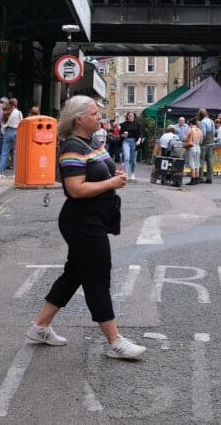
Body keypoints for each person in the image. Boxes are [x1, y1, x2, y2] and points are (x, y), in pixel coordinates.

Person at [26, 95, 146, 359]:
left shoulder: (90, 142)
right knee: (98, 279)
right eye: (94, 114)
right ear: (79, 118)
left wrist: (114, 176)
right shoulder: (72, 147)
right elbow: (76, 189)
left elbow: (97, 173)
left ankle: (40, 327)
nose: (99, 117)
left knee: (74, 274)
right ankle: (115, 342)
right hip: (82, 221)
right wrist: (111, 184)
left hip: (94, 218)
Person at [0, 97, 23, 179]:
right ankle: (15, 173)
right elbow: (21, 123)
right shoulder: (19, 113)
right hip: (16, 132)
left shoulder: (6, 112)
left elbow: (3, 124)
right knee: (16, 153)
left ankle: (1, 173)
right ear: (16, 104)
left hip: (7, 131)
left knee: (4, 153)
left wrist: (4, 133)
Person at [120, 111, 140, 181]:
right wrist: (123, 135)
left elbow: (140, 134)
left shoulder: (137, 124)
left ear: (134, 116)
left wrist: (138, 141)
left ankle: (133, 173)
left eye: (132, 115)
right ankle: (126, 174)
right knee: (126, 158)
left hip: (134, 142)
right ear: (127, 116)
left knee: (133, 160)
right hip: (126, 141)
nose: (131, 117)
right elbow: (120, 134)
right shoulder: (123, 124)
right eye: (129, 115)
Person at [198, 108, 215, 184]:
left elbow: (203, 134)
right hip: (211, 143)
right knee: (210, 161)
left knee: (201, 160)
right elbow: (214, 132)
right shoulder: (211, 121)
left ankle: (200, 177)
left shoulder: (203, 122)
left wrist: (199, 141)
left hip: (204, 143)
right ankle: (210, 178)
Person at [184, 118, 203, 185]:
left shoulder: (191, 129)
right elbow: (201, 141)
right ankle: (196, 179)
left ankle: (192, 180)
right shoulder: (200, 131)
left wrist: (185, 139)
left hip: (192, 147)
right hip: (198, 147)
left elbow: (186, 139)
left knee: (192, 163)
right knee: (197, 163)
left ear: (191, 124)